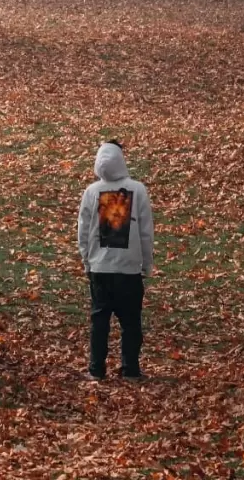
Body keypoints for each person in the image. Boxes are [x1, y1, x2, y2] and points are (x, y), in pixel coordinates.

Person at [77, 140, 154, 381]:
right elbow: (145, 231)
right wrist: (146, 264)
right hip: (128, 270)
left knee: (99, 321)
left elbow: (82, 229)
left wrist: (86, 260)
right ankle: (130, 369)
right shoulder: (137, 190)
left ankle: (96, 369)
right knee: (131, 322)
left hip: (99, 268)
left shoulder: (92, 192)